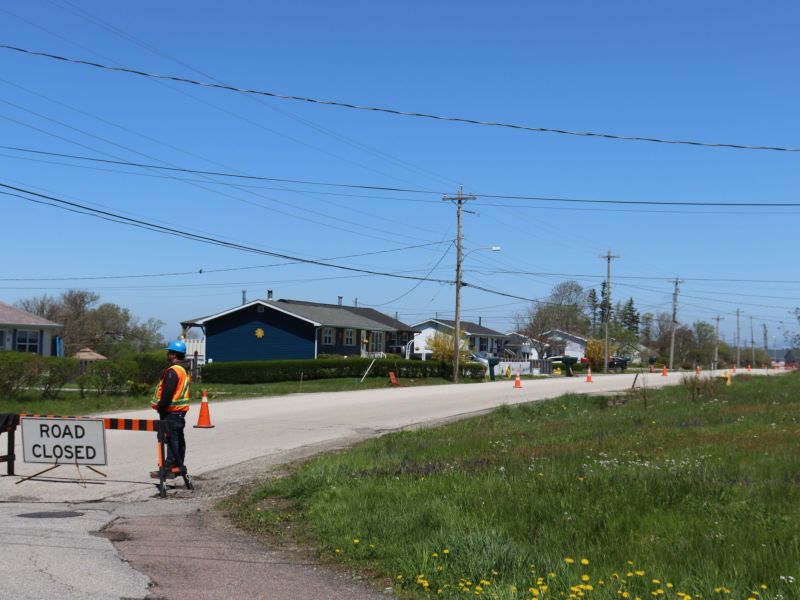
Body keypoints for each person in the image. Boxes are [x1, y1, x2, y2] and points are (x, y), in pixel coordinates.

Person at [150, 340, 191, 478]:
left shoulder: (173, 371)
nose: (167, 354)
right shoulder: (183, 370)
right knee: (178, 439)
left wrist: (161, 408)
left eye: (169, 352)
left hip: (171, 412)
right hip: (179, 411)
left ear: (173, 355)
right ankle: (178, 466)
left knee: (171, 440)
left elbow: (167, 393)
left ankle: (169, 469)